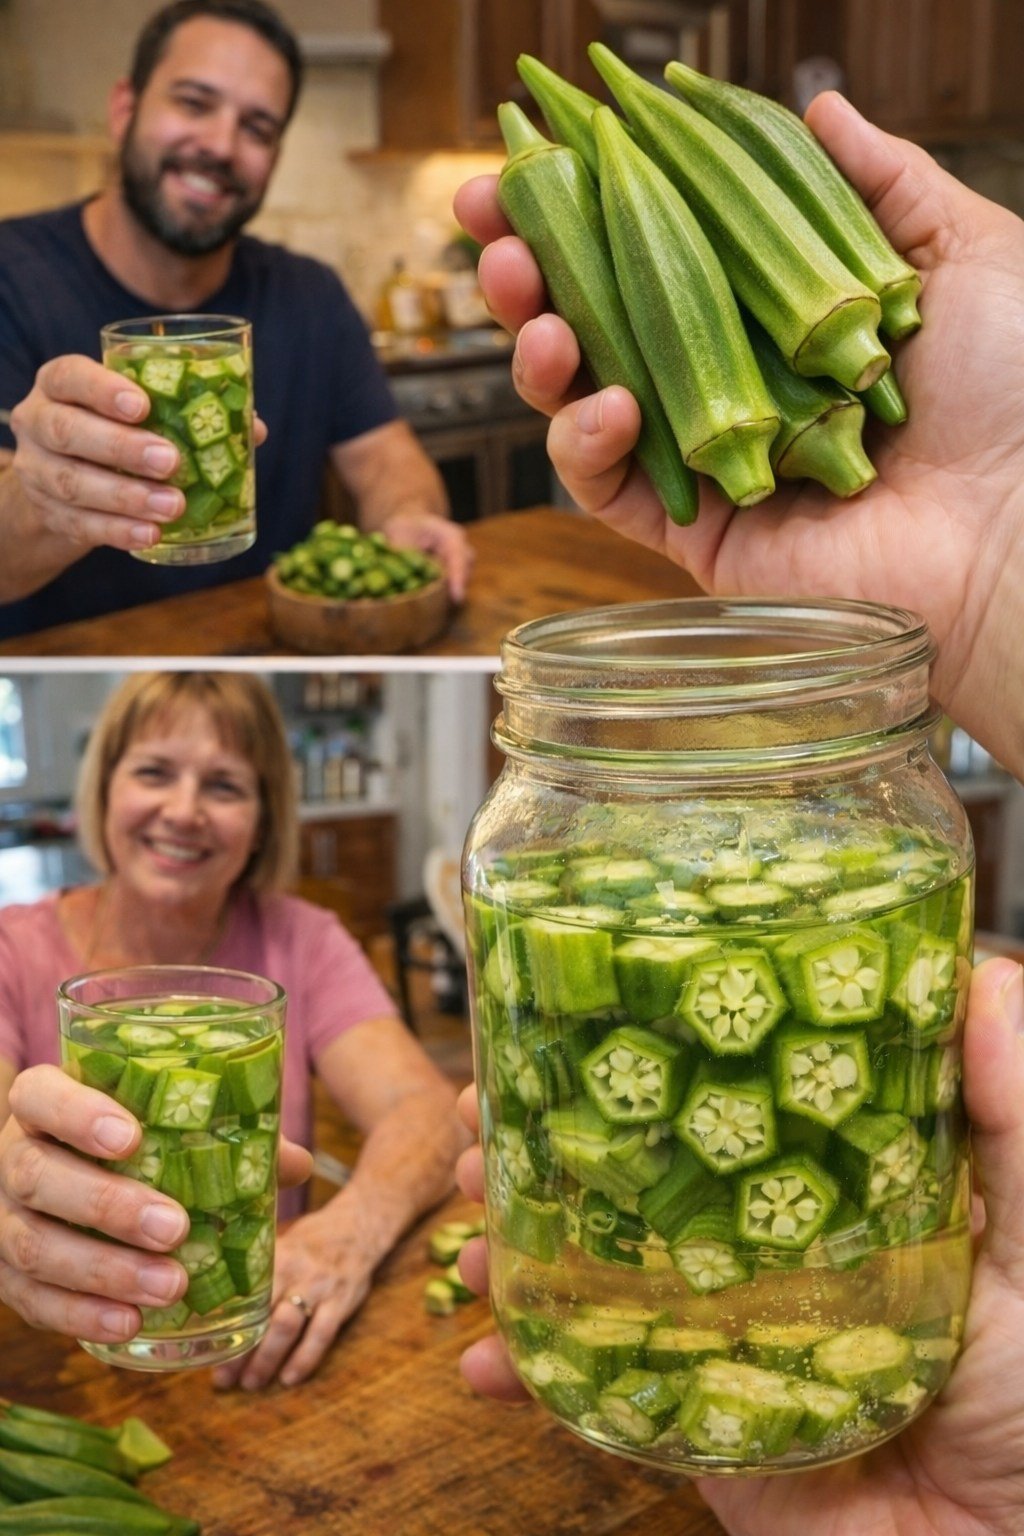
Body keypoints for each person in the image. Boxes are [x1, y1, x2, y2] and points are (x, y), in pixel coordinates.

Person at [450, 88, 1024, 1533]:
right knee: (555, 1136)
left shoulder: (896, 799)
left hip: (920, 1421)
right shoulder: (530, 831)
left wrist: (1001, 530)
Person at [0, 670, 466, 1392]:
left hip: (255, 1358)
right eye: (154, 772)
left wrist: (349, 1233)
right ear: (103, 790)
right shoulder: (14, 947)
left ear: (264, 819)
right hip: (61, 1363)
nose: (184, 812)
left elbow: (429, 1113)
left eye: (224, 787)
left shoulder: (302, 940)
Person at [0, 0, 472, 640]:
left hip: (266, 645)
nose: (220, 146)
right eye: (194, 103)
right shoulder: (12, 276)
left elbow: (387, 456)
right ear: (124, 109)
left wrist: (407, 515)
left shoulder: (311, 294)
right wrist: (44, 500)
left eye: (257, 127)